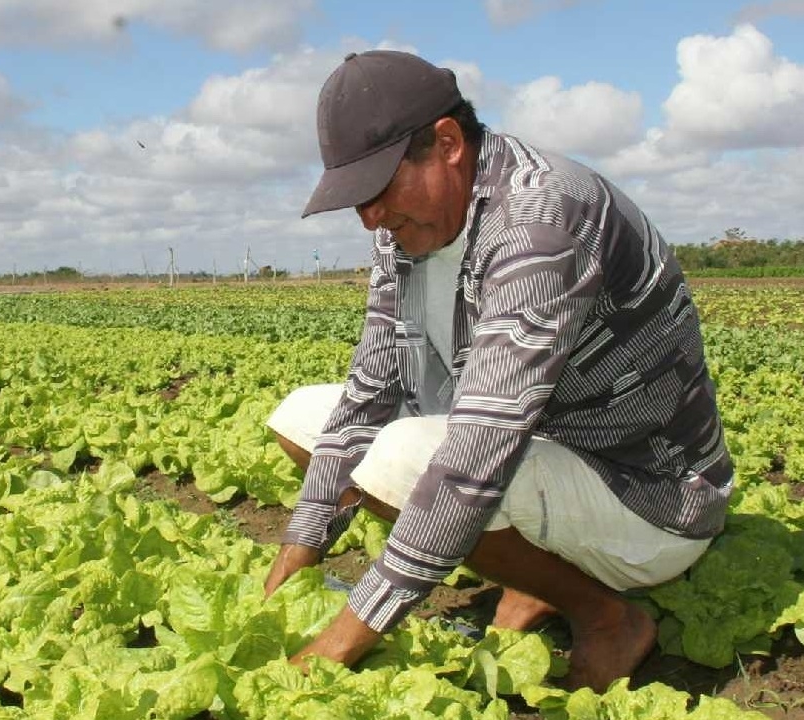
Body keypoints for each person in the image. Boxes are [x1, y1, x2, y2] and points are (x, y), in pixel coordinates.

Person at [261, 49, 733, 692]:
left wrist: (340, 643)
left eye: (375, 190)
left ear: (448, 144)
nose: (369, 217)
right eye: (356, 200)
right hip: (539, 460)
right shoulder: (404, 228)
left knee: (407, 457)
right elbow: (372, 386)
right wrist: (300, 551)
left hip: (646, 494)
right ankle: (536, 577)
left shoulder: (543, 219)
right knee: (303, 417)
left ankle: (606, 617)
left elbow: (474, 457)